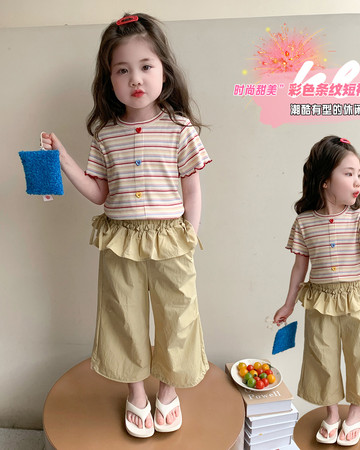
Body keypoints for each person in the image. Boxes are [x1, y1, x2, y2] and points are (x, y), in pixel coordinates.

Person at [42, 13, 211, 438]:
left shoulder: (180, 129)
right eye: (122, 70)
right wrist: (63, 160)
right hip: (120, 241)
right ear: (109, 80)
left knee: (178, 316)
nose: (135, 78)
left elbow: (193, 190)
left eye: (145, 66)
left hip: (171, 239)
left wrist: (190, 235)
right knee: (123, 318)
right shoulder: (105, 136)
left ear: (164, 71)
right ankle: (136, 392)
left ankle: (168, 390)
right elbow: (99, 192)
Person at [273, 136, 360, 446]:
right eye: (348, 173)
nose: (357, 181)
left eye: (359, 174)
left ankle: (354, 414)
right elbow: (299, 268)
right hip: (319, 300)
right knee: (322, 357)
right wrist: (288, 304)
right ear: (325, 180)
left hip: (356, 298)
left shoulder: (359, 218)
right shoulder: (304, 223)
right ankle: (332, 414)